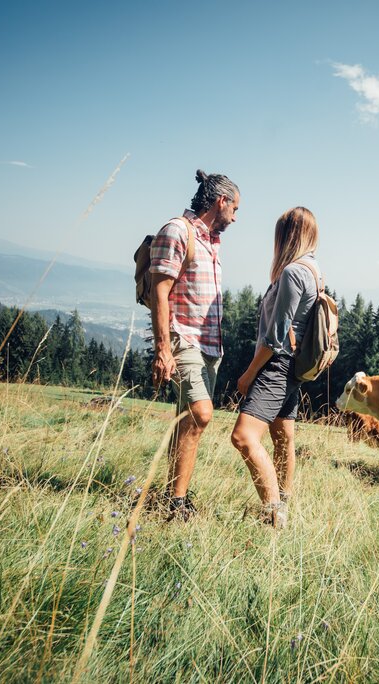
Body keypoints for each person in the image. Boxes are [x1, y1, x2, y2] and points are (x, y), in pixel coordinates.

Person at [149, 170, 239, 522]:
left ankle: (175, 496)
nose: (235, 217)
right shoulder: (176, 231)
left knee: (188, 419)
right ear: (221, 201)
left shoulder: (211, 242)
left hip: (209, 347)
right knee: (201, 414)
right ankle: (177, 502)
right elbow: (160, 291)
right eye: (235, 208)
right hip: (182, 338)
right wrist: (163, 349)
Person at [230, 207, 322, 528]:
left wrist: (249, 373)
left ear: (286, 236)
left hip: (276, 366)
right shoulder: (314, 271)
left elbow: (276, 334)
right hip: (294, 368)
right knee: (283, 436)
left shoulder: (293, 273)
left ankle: (274, 514)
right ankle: (284, 502)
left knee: (243, 437)